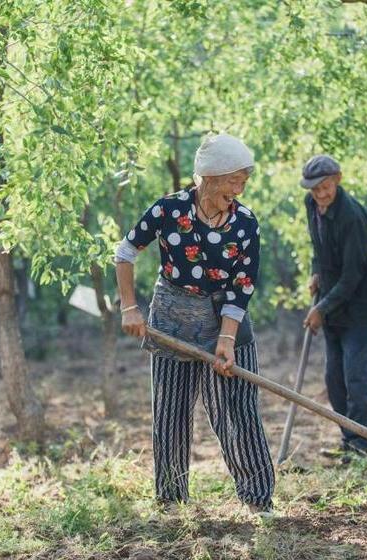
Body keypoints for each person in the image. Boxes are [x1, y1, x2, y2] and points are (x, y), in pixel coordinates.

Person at [114, 133, 275, 511]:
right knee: (170, 412)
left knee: (237, 410)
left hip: (226, 323)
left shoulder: (245, 223)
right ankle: (171, 501)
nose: (239, 190)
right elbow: (126, 250)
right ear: (210, 177)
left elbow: (242, 286)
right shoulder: (168, 210)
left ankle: (258, 499)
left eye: (243, 182)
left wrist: (227, 340)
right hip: (173, 322)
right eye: (233, 181)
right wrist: (129, 307)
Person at [300, 154, 367, 461]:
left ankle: (362, 445)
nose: (320, 194)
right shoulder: (312, 206)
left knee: (355, 378)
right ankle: (348, 438)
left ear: (338, 180)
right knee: (334, 380)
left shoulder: (354, 218)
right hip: (332, 306)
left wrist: (320, 308)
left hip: (359, 309)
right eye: (315, 189)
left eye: (326, 187)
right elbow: (318, 249)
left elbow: (352, 277)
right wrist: (315, 272)